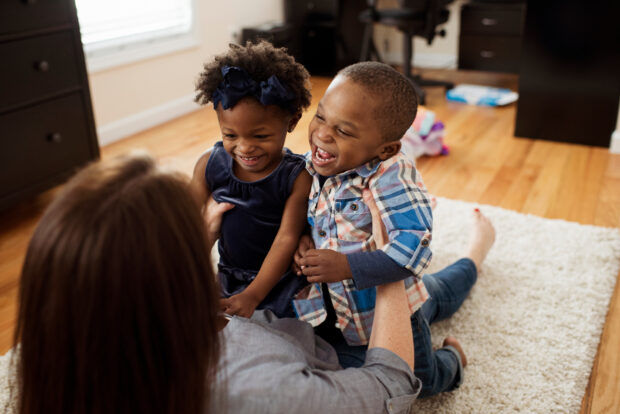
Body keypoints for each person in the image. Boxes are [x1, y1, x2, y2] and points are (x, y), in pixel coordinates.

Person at [13, 153, 424, 414]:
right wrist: (385, 264)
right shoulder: (262, 391)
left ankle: (472, 256)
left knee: (431, 292)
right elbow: (392, 386)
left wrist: (206, 233)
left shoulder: (62, 367)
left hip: (287, 320)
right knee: (421, 309)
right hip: (317, 342)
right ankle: (468, 284)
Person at [293, 61, 492, 397]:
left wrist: (346, 266)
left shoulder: (390, 175)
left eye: (343, 130)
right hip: (339, 316)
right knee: (435, 293)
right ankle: (472, 257)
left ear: (384, 149)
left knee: (421, 383)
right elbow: (305, 209)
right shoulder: (317, 161)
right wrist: (302, 234)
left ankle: (455, 354)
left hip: (390, 313)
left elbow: (413, 249)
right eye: (322, 116)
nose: (323, 133)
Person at [190, 41, 313, 318]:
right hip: (227, 275)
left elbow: (286, 238)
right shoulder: (209, 164)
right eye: (230, 135)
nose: (244, 148)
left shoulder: (297, 177)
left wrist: (253, 295)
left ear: (292, 122)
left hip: (279, 279)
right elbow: (182, 222)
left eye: (260, 136)